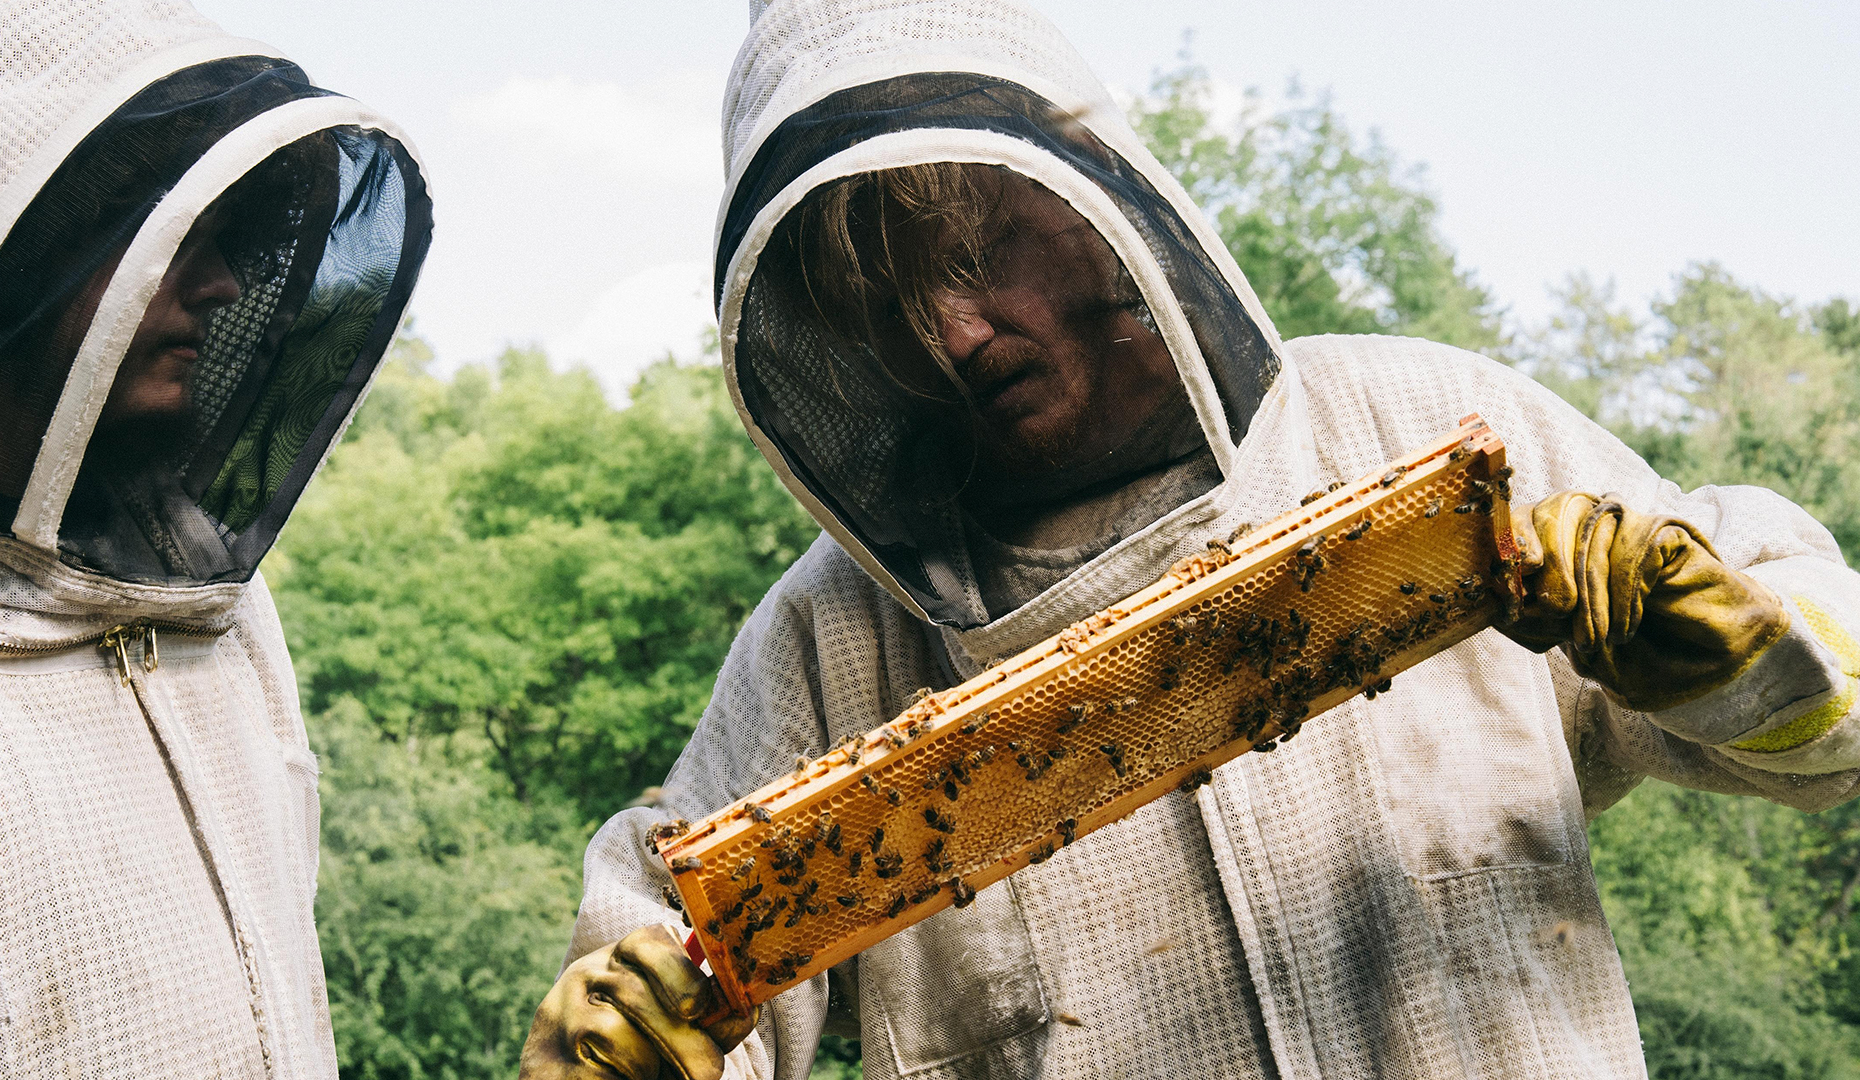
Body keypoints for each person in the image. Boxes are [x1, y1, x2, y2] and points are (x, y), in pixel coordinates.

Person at [520, 2, 1860, 1078]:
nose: (953, 330)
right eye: (889, 301)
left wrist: (1739, 644)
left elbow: (1835, 737)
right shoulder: (828, 648)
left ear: (1089, 193)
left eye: (977, 248)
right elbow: (658, 952)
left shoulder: (1410, 422)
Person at [0, 0, 431, 1074]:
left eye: (232, 244)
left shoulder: (212, 594)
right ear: (24, 241)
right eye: (172, 233)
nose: (222, 285)